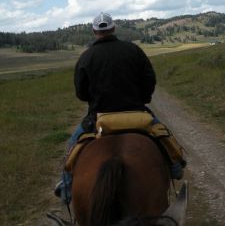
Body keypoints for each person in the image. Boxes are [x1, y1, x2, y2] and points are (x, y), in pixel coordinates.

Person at [55, 12, 186, 203]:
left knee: (72, 148)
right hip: (137, 113)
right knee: (165, 138)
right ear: (113, 28)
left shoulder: (86, 57)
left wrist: (94, 101)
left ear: (94, 31)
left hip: (99, 118)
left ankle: (66, 189)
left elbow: (81, 93)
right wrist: (143, 98)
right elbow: (150, 79)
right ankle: (175, 167)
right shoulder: (133, 50)